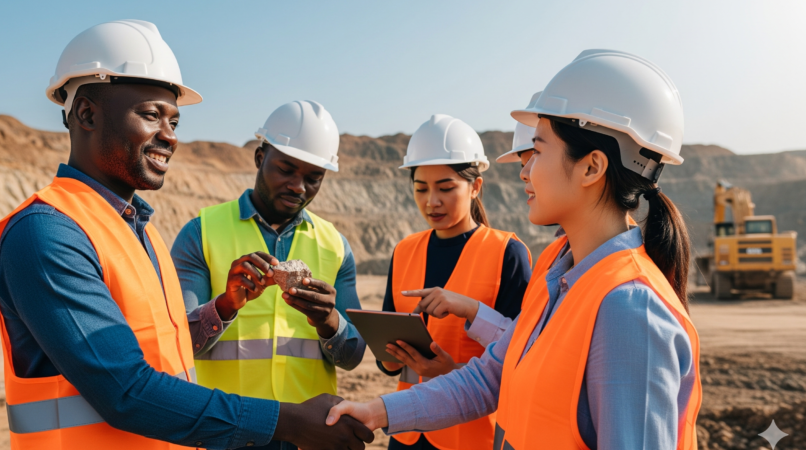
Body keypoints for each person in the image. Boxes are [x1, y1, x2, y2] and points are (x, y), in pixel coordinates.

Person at [0, 21, 372, 450]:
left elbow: (172, 356)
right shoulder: (47, 233)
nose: (170, 136)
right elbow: (125, 390)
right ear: (87, 113)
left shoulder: (140, 234)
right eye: (151, 115)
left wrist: (230, 307)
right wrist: (288, 422)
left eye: (175, 121)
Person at [328, 49, 703, 450]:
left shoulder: (631, 310)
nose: (524, 170)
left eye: (537, 152)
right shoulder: (555, 272)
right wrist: (378, 411)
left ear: (591, 167)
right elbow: (488, 377)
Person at [170, 100, 368, 450]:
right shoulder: (200, 233)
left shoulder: (335, 245)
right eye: (286, 169)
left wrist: (329, 322)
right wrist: (226, 305)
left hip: (310, 437)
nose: (298, 187)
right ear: (260, 158)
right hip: (225, 433)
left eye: (313, 178)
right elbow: (178, 345)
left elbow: (352, 356)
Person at [375, 115, 531, 450]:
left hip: (470, 434)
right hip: (407, 431)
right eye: (421, 189)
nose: (432, 201)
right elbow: (387, 364)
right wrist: (389, 354)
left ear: (475, 187)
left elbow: (521, 358)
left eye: (445, 188)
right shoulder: (404, 250)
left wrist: (451, 370)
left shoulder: (508, 252)